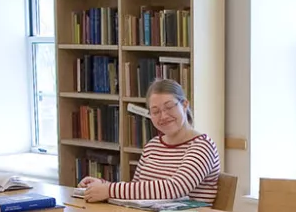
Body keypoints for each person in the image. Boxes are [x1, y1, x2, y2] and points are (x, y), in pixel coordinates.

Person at [78, 79, 219, 204]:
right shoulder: (153, 145)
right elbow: (138, 190)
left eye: (169, 107)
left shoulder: (202, 145)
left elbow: (175, 188)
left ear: (184, 105)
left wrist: (109, 189)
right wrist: (101, 186)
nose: (163, 116)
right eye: (155, 111)